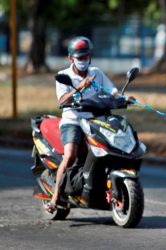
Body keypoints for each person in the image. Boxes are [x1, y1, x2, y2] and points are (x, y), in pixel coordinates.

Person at [45, 36, 119, 213]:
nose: (84, 61)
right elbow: (62, 100)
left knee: (110, 149)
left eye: (86, 57)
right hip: (72, 121)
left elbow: (112, 90)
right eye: (80, 58)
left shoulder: (97, 73)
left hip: (94, 121)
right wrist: (82, 87)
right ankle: (55, 198)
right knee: (70, 155)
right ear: (71, 58)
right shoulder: (64, 76)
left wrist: (123, 97)